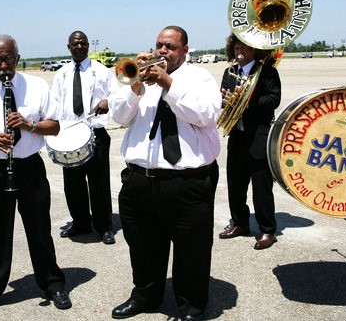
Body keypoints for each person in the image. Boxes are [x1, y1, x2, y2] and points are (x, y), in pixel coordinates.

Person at [109, 25, 220, 321]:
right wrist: (134, 89)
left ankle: (191, 306)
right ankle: (145, 295)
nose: (162, 51)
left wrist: (169, 84)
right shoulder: (140, 78)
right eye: (159, 45)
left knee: (191, 250)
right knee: (143, 246)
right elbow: (119, 116)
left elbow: (206, 114)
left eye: (170, 47)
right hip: (139, 180)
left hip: (186, 183)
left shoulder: (199, 78)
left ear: (185, 50)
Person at [0, 34, 71, 319]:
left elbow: (55, 126)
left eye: (9, 58)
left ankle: (53, 283)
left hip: (30, 168)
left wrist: (29, 123)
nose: (3, 64)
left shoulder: (36, 86)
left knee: (39, 229)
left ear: (18, 58)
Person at [50, 30, 115, 245]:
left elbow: (116, 95)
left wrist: (108, 101)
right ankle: (80, 222)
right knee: (73, 183)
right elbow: (56, 104)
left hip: (95, 133)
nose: (79, 47)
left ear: (88, 46)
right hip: (70, 133)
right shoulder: (62, 73)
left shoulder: (102, 71)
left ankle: (104, 226)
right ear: (68, 47)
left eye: (83, 43)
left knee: (99, 183)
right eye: (75, 44)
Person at [218, 33, 281, 250]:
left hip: (258, 137)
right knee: (235, 185)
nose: (239, 53)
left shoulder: (267, 72)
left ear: (255, 50)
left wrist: (247, 100)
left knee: (261, 188)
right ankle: (240, 224)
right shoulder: (230, 72)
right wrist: (225, 99)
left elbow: (274, 99)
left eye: (244, 49)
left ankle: (267, 229)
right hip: (237, 137)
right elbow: (223, 98)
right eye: (236, 49)